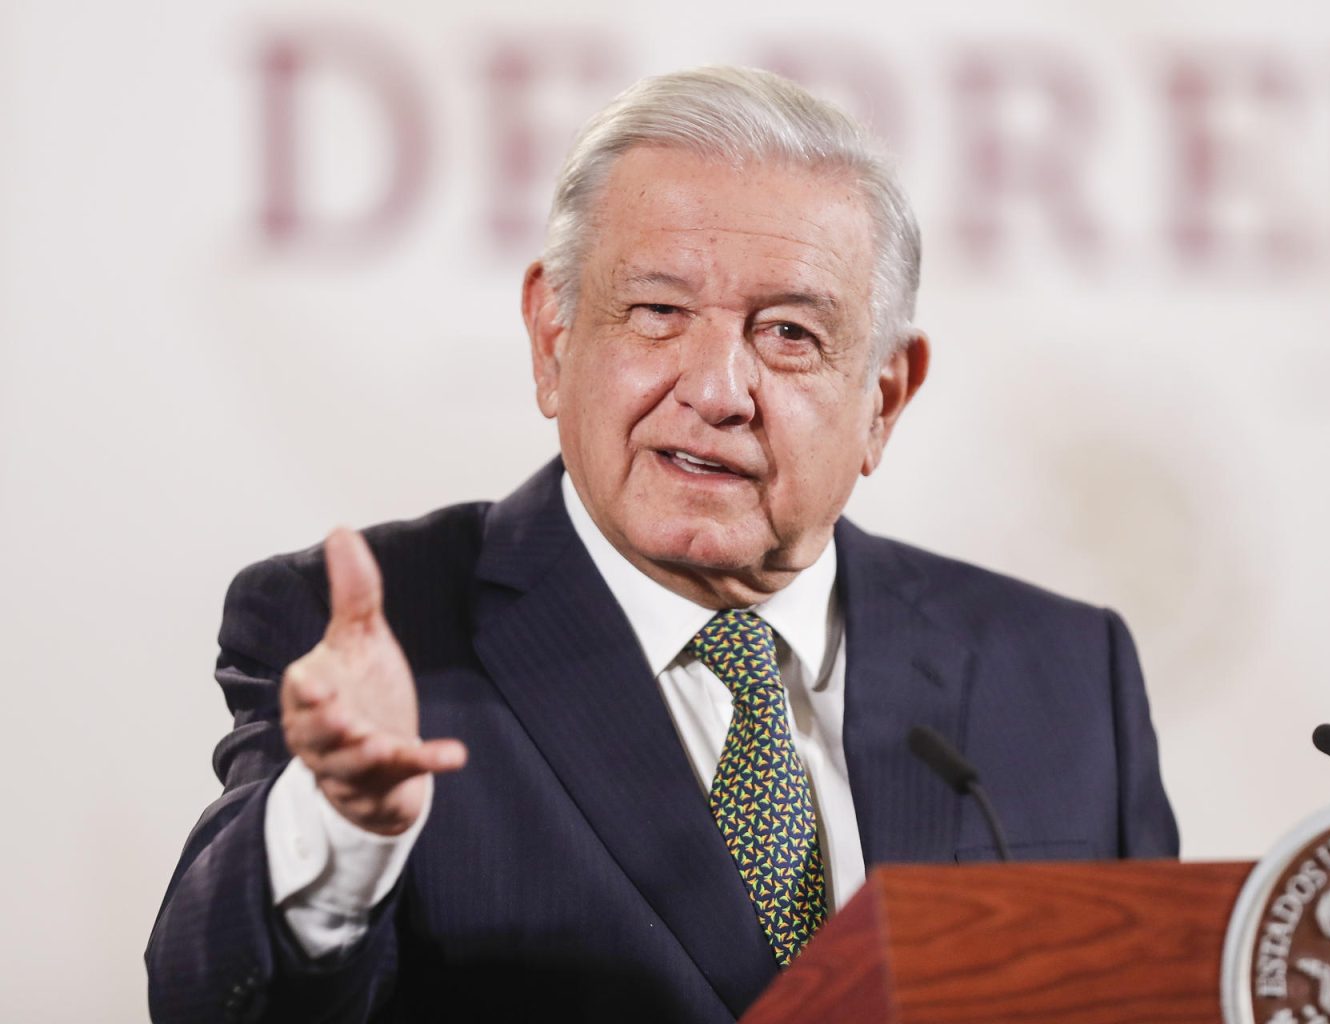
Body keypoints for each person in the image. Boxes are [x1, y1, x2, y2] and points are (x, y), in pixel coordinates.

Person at [146, 66, 1178, 1023]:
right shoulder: (384, 641)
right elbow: (213, 1000)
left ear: (885, 398)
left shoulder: (1062, 672)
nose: (717, 390)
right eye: (656, 312)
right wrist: (339, 827)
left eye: (788, 334)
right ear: (554, 341)